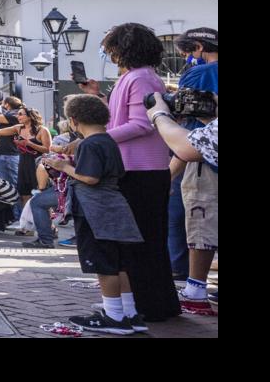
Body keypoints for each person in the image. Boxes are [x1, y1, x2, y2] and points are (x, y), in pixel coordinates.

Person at [43, 94, 145, 335]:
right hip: (114, 206)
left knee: (103, 264)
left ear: (74, 120)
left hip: (95, 210)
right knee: (119, 263)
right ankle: (129, 312)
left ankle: (113, 316)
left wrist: (63, 166)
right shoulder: (108, 141)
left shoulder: (89, 144)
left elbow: (90, 178)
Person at [99, 22, 179, 322]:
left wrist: (99, 138)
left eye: (113, 49)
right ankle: (146, 303)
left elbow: (143, 124)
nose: (110, 55)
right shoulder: (133, 78)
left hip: (142, 170)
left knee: (143, 240)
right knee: (139, 240)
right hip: (134, 168)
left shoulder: (142, 79)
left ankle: (151, 305)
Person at [147, 93, 218, 314]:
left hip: (204, 177)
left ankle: (195, 292)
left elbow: (186, 147)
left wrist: (159, 114)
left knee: (201, 226)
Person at [166, 27, 217, 278]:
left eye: (186, 52)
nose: (187, 58)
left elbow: (189, 129)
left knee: (201, 223)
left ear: (198, 47)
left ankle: (196, 287)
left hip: (205, 160)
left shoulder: (200, 73)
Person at [12, 106, 52, 235]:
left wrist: (29, 143)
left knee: (41, 195)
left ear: (30, 116)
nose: (18, 116)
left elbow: (47, 149)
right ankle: (27, 226)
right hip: (23, 163)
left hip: (37, 164)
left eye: (21, 114)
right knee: (24, 195)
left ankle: (50, 227)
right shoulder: (19, 128)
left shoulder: (42, 130)